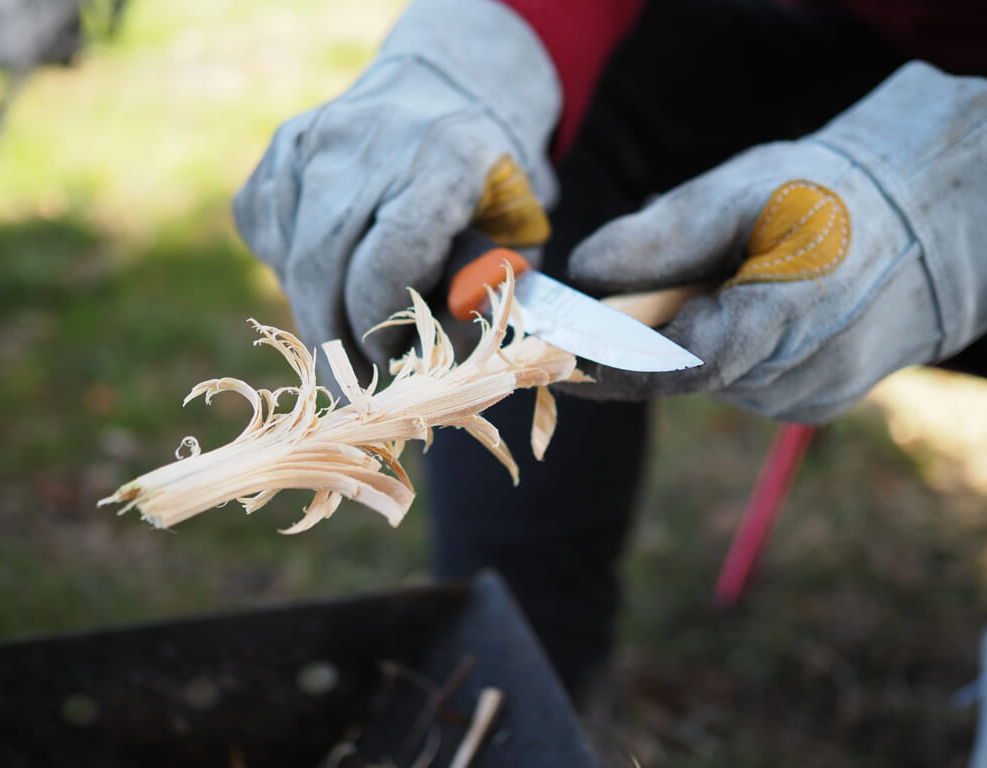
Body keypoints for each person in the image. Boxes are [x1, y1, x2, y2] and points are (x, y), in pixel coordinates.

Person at [232, 0, 987, 705]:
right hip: (869, 42)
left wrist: (948, 193)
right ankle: (513, 689)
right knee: (585, 101)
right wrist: (479, 52)